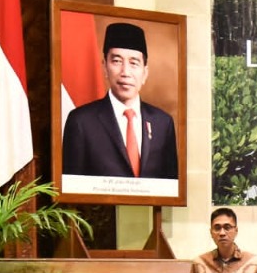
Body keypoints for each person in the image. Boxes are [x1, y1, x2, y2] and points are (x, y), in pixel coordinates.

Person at [62, 22, 179, 179]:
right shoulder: (81, 121)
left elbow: (170, 186)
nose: (125, 72)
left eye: (134, 63)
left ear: (145, 73)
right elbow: (71, 188)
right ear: (104, 67)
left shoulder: (163, 123)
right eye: (117, 61)